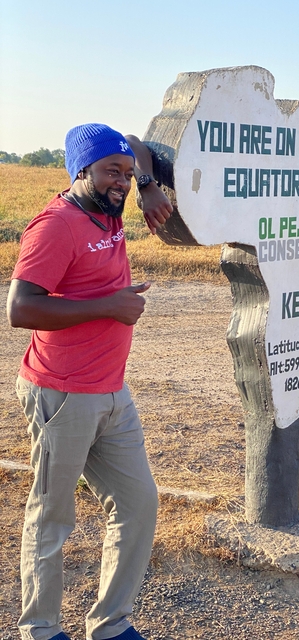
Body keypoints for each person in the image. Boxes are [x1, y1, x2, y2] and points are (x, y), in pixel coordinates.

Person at [7, 123, 172, 640]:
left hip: (111, 392)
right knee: (52, 516)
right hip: (61, 393)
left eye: (124, 174)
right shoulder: (56, 225)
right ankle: (39, 629)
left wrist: (146, 182)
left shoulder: (111, 207)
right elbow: (21, 308)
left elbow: (133, 143)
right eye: (110, 173)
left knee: (138, 503)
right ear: (81, 172)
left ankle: (110, 624)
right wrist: (110, 306)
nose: (119, 183)